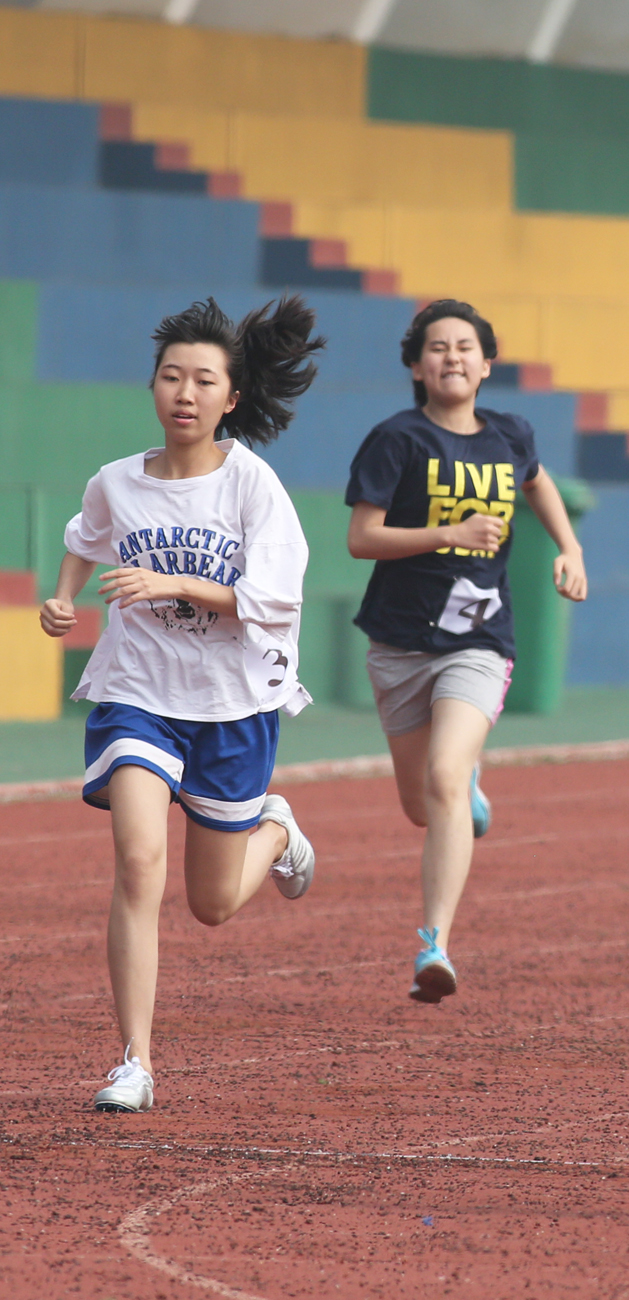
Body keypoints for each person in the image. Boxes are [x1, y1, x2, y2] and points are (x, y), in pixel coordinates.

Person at [40, 295, 325, 1111]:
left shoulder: (252, 486)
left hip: (231, 707)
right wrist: (63, 600)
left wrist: (173, 583)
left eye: (203, 380)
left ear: (231, 397)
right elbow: (83, 538)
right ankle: (134, 1062)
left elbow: (274, 599)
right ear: (154, 386)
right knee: (138, 862)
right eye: (171, 376)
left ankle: (277, 830)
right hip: (137, 694)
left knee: (212, 905)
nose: (185, 393)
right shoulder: (116, 483)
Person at [345, 299, 587, 1004]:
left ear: (486, 364)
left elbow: (537, 481)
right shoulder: (397, 439)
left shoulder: (510, 434)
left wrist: (569, 547)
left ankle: (434, 945)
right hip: (399, 642)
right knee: (423, 806)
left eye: (464, 346)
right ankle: (465, 786)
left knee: (445, 776)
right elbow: (361, 538)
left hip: (479, 641)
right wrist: (449, 534)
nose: (451, 356)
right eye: (437, 347)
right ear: (416, 367)